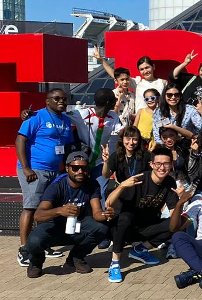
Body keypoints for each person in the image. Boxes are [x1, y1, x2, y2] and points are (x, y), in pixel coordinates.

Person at [105, 146, 193, 283]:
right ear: (151, 164)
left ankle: (140, 249)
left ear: (171, 165)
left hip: (146, 227)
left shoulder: (170, 183)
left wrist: (181, 202)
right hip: (123, 229)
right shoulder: (139, 179)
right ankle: (115, 263)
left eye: (166, 164)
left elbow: (172, 217)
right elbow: (108, 203)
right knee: (126, 217)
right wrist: (122, 186)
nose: (162, 168)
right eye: (158, 164)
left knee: (180, 222)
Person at [24, 152, 113, 278]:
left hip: (78, 224)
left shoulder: (92, 185)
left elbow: (97, 213)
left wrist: (106, 214)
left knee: (102, 228)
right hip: (55, 225)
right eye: (75, 168)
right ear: (67, 168)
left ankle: (76, 257)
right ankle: (36, 263)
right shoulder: (57, 186)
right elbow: (38, 215)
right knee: (33, 241)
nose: (80, 171)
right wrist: (60, 210)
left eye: (84, 168)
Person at [15, 88, 74, 266]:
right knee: (31, 207)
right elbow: (20, 140)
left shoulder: (66, 120)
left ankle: (42, 243)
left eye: (64, 99)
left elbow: (66, 148)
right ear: (47, 101)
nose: (61, 101)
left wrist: (64, 171)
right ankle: (24, 249)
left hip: (55, 172)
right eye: (57, 98)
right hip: (35, 170)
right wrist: (26, 168)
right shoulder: (35, 117)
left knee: (48, 208)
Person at [68, 88, 122, 205]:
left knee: (101, 193)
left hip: (100, 163)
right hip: (82, 162)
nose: (116, 102)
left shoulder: (113, 116)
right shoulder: (81, 114)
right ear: (108, 103)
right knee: (79, 192)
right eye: (114, 100)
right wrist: (31, 114)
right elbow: (58, 114)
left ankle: (100, 219)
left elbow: (122, 131)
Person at [94, 51, 168, 113]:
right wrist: (102, 61)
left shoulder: (162, 82)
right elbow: (116, 75)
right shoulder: (138, 82)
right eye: (142, 69)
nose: (145, 71)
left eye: (147, 67)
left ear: (153, 67)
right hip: (141, 120)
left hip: (159, 118)